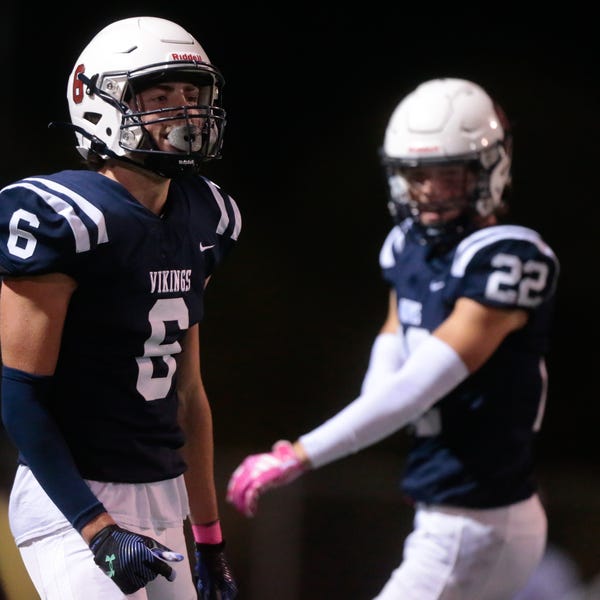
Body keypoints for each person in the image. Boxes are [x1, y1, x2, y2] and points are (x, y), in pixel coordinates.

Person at [226, 77, 560, 599]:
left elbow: (420, 387)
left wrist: (299, 454)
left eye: (446, 175)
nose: (426, 190)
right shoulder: (407, 248)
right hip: (449, 512)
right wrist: (321, 445)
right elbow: (388, 383)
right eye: (414, 175)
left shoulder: (507, 258)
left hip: (479, 521)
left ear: (487, 170)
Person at [0, 16, 239, 600]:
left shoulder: (203, 216)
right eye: (160, 96)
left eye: (192, 94)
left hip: (164, 495)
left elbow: (189, 393)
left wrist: (208, 537)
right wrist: (96, 527)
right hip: (74, 500)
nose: (184, 111)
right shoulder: (64, 218)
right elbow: (18, 393)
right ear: (99, 102)